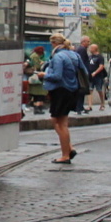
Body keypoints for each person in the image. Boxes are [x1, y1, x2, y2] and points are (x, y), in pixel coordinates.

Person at [36, 33, 78, 164]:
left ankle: (66, 154)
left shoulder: (58, 56)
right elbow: (84, 71)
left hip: (60, 91)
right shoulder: (73, 55)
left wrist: (44, 75)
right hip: (72, 90)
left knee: (60, 123)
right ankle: (69, 148)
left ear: (53, 43)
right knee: (58, 121)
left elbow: (57, 76)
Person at [25, 45, 48, 114]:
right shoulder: (35, 56)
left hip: (35, 78)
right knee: (39, 95)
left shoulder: (33, 55)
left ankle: (37, 108)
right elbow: (37, 65)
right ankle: (37, 108)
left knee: (37, 95)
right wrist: (42, 63)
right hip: (37, 78)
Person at [87, 43, 107, 111]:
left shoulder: (100, 57)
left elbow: (101, 66)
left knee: (99, 89)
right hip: (90, 76)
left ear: (95, 49)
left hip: (98, 76)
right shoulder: (89, 56)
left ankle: (102, 103)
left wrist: (95, 72)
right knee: (90, 90)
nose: (90, 49)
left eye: (91, 48)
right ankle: (90, 105)